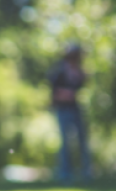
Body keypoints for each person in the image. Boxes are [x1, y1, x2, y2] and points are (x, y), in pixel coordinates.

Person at [48, 44, 91, 181]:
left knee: (82, 140)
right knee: (65, 142)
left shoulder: (78, 71)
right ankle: (65, 174)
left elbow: (81, 86)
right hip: (62, 109)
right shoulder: (58, 72)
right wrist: (68, 94)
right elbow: (55, 94)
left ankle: (86, 173)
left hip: (75, 108)